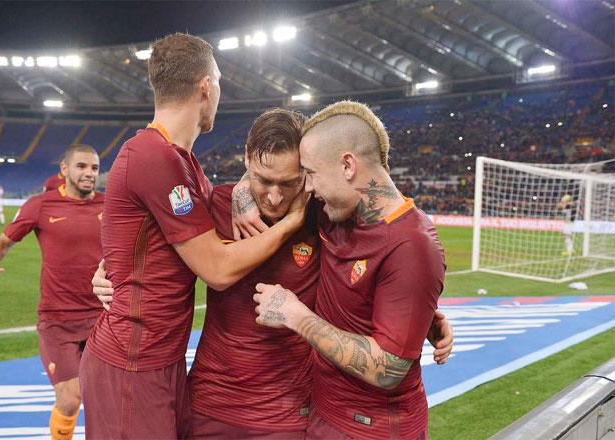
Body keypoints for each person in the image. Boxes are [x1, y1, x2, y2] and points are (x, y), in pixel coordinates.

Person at [92, 108, 454, 438]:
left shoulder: (324, 215)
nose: (276, 197)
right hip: (210, 404)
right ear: (247, 159)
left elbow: (392, 243)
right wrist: (111, 276)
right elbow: (145, 251)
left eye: (295, 181)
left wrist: (418, 317)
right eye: (263, 180)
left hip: (289, 416)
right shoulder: (215, 207)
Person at [79, 34, 308, 440]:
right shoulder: (152, 155)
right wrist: (291, 222)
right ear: (206, 86)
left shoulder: (184, 164)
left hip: (161, 359)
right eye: (219, 83)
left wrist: (243, 190)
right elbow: (217, 269)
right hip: (131, 359)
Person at [252, 101, 446, 440]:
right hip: (324, 413)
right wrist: (243, 196)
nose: (307, 188)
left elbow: (388, 369)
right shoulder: (335, 211)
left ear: (347, 165)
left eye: (310, 173)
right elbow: (264, 171)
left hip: (375, 431)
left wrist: (295, 315)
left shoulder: (413, 245)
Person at [0, 144, 103, 440]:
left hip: (103, 318)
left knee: (105, 398)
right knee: (69, 399)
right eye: (81, 166)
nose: (89, 173)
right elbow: (3, 242)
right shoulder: (40, 205)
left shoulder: (110, 206)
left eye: (94, 168)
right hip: (58, 321)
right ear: (65, 170)